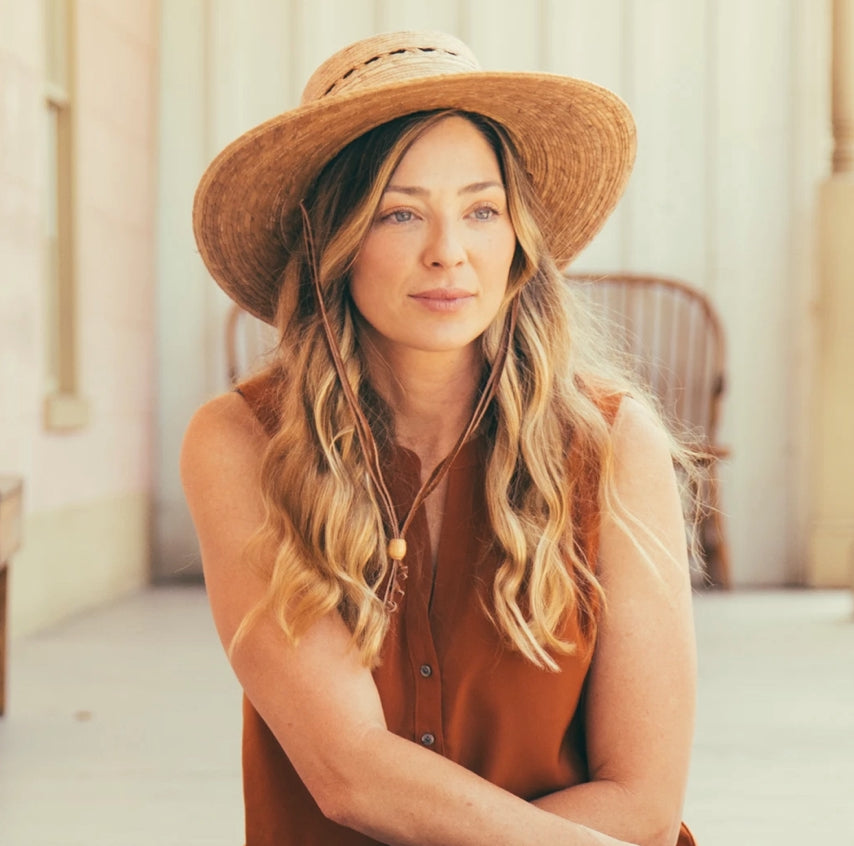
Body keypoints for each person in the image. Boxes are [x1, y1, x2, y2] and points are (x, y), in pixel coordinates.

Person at [182, 30, 698, 846]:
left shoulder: (612, 443)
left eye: (482, 209)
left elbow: (642, 804)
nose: (448, 253)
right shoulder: (243, 441)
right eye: (400, 212)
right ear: (335, 242)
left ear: (518, 237)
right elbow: (351, 773)